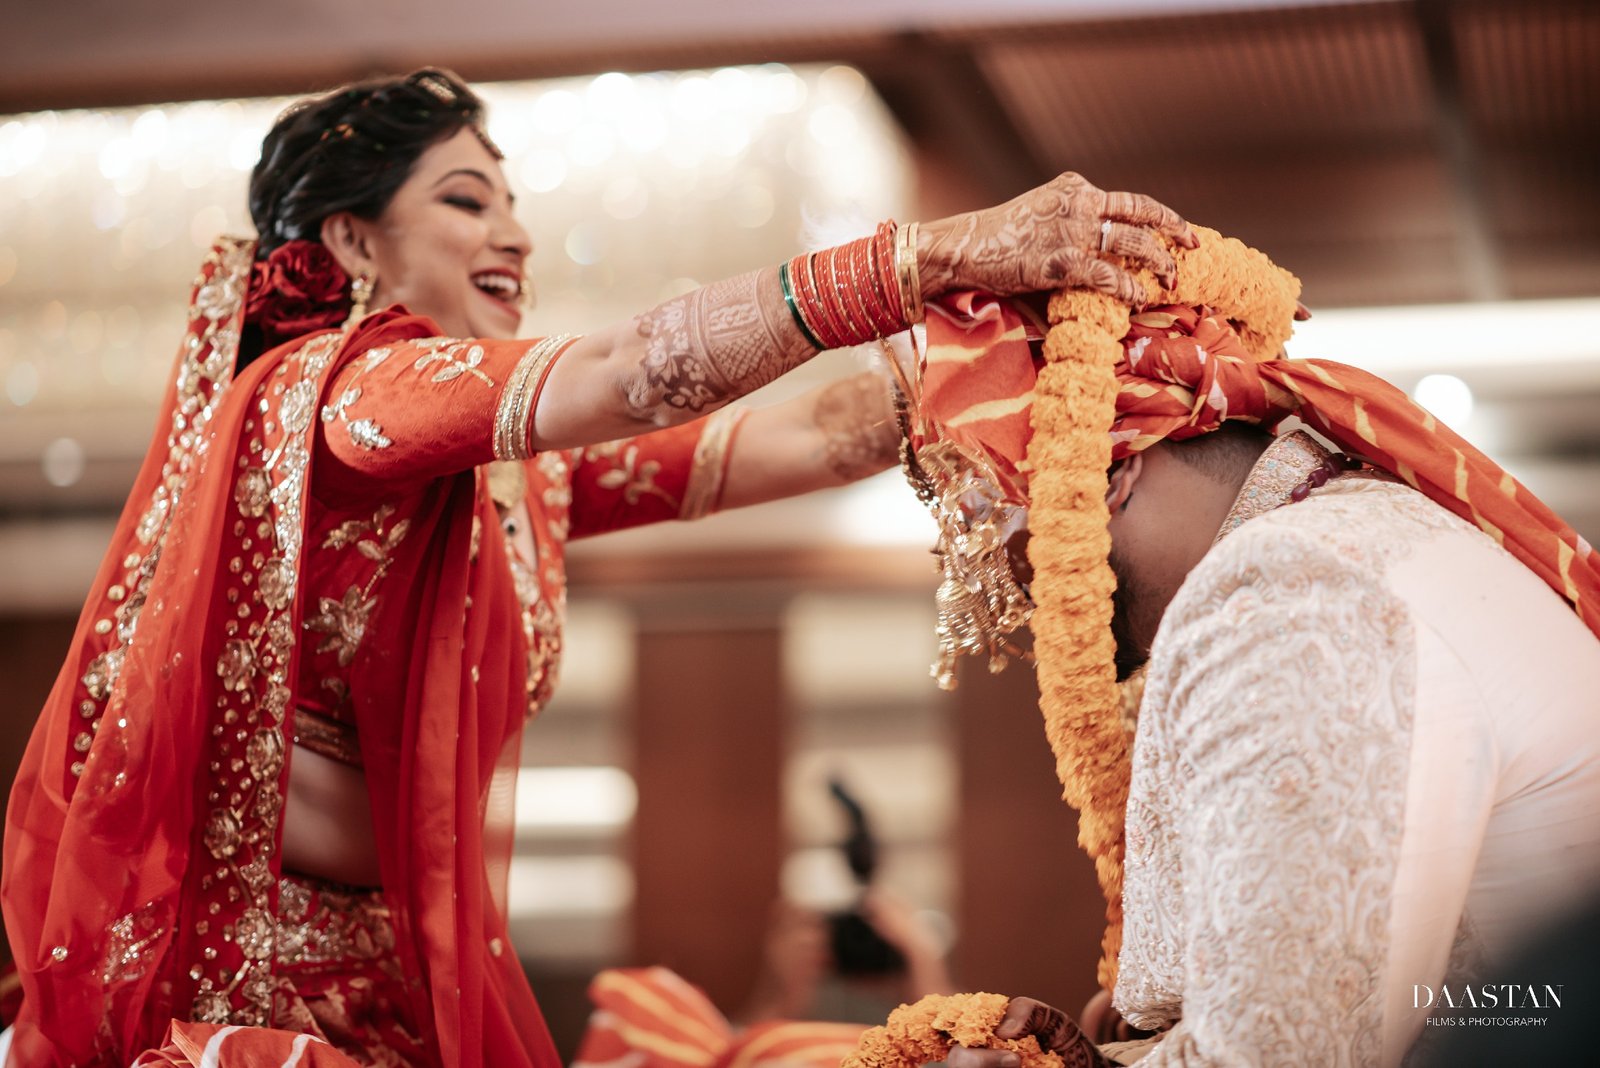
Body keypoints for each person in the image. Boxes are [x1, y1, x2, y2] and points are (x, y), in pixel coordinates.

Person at [0, 68, 1196, 1068]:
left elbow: (794, 440)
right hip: (244, 1009)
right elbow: (630, 374)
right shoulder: (350, 400)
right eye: (466, 202)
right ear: (354, 240)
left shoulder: (506, 482)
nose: (511, 234)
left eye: (508, 205)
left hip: (386, 999)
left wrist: (1007, 340)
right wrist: (926, 255)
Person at [874, 230, 1600, 1065]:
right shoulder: (1342, 538)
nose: (1006, 579)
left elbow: (1284, 1057)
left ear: (1106, 469)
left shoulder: (1290, 592)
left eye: (985, 520)